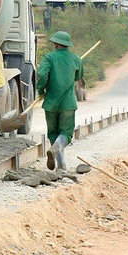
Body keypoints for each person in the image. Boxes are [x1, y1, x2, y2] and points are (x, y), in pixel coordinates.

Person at [36, 31, 83, 171]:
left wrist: (41, 90)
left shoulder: (49, 57)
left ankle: (61, 166)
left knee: (53, 134)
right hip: (68, 104)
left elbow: (42, 75)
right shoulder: (76, 59)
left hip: (51, 103)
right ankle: (56, 150)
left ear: (56, 44)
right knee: (66, 134)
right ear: (68, 45)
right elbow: (78, 77)